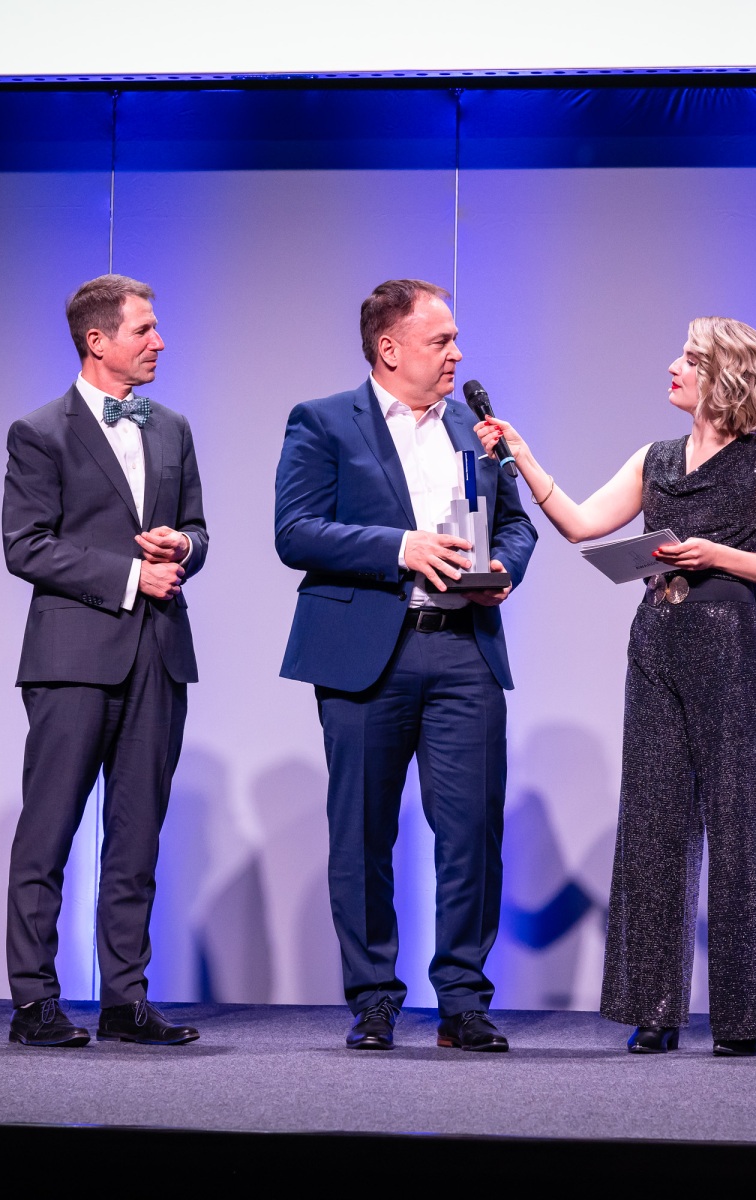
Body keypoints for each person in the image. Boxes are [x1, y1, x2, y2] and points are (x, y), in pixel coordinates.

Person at [475, 317, 756, 1056]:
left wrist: (720, 555)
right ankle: (655, 1008)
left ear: (723, 376)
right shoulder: (654, 459)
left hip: (730, 649)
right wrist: (523, 458)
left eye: (688, 358)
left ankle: (741, 1018)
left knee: (740, 829)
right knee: (654, 824)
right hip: (656, 644)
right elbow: (581, 525)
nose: (672, 366)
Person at [274, 279, 537, 1052]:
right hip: (367, 655)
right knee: (362, 834)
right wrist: (401, 547)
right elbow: (295, 530)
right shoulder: (323, 420)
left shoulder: (472, 427)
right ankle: (374, 1000)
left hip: (464, 649)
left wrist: (507, 566)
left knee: (471, 832)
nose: (457, 353)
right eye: (440, 340)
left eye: (455, 339)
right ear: (389, 349)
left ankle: (463, 1002)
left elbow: (516, 524)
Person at [1, 275, 207, 1049]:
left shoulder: (171, 427)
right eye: (144, 329)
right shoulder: (39, 432)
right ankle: (34, 1002)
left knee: (136, 838)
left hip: (158, 655)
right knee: (48, 833)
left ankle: (125, 1000)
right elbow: (25, 546)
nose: (160, 341)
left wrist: (182, 546)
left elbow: (199, 530)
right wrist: (129, 576)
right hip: (73, 658)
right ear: (97, 340)